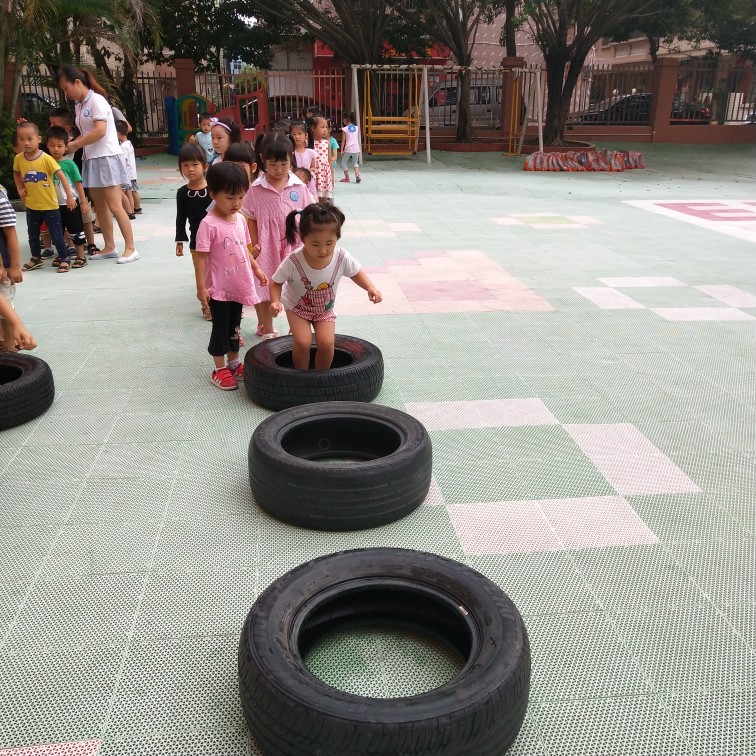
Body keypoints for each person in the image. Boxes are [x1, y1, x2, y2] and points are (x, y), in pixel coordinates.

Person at [270, 203, 381, 370]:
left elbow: (356, 272)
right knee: (303, 342)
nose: (323, 250)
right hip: (297, 308)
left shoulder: (341, 257)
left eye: (329, 243)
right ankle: (300, 376)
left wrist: (370, 287)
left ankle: (322, 377)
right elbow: (275, 282)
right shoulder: (294, 261)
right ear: (303, 238)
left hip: (324, 310)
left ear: (337, 237)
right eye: (315, 244)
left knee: (327, 344)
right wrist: (275, 301)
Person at [194, 162, 268, 391]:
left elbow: (243, 249)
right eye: (230, 198)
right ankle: (219, 369)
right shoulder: (208, 224)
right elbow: (201, 257)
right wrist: (201, 287)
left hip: (239, 285)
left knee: (235, 326)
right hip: (218, 289)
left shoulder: (240, 220)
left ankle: (234, 363)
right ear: (213, 194)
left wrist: (256, 269)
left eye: (241, 197)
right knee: (221, 328)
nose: (236, 203)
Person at [56, 64, 138, 264]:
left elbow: (100, 130)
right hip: (91, 158)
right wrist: (73, 144)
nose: (66, 93)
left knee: (115, 206)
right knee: (100, 206)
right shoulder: (79, 105)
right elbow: (86, 133)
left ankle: (131, 248)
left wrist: (76, 144)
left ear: (77, 82)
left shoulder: (97, 100)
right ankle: (109, 247)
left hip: (107, 157)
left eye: (66, 88)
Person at [240, 131, 314, 340]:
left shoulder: (299, 186)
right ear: (262, 160)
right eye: (273, 164)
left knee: (297, 285)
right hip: (267, 246)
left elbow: (308, 214)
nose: (279, 169)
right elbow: (251, 217)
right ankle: (267, 327)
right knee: (265, 285)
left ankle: (297, 325)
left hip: (294, 244)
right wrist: (255, 243)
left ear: (292, 158)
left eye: (284, 163)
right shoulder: (256, 189)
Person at [13, 122, 76, 273]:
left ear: (39, 139)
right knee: (33, 235)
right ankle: (36, 258)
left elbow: (61, 176)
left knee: (57, 235)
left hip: (50, 206)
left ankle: (64, 258)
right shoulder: (19, 159)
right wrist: (20, 188)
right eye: (21, 139)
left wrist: (69, 196)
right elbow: (16, 174)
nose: (26, 143)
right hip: (32, 206)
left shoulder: (46, 158)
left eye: (30, 139)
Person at [48, 107, 99, 255]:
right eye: (50, 123)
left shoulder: (78, 142)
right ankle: (70, 245)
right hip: (60, 193)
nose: (51, 126)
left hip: (78, 187)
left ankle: (91, 243)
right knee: (65, 219)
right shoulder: (52, 145)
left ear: (66, 127)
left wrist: (84, 197)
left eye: (54, 123)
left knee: (86, 217)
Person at [175, 143, 213, 320]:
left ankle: (223, 304)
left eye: (195, 164)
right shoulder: (182, 193)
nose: (190, 169)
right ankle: (206, 306)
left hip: (216, 241)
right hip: (196, 243)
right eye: (186, 165)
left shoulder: (213, 190)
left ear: (205, 167)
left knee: (217, 274)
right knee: (202, 276)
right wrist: (179, 240)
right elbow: (180, 218)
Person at [45, 126, 88, 269]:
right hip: (54, 205)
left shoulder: (69, 164)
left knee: (76, 230)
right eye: (52, 145)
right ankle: (62, 254)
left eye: (59, 146)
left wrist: (83, 202)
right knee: (58, 231)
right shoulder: (46, 163)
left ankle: (80, 256)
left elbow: (78, 183)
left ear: (66, 146)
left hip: (71, 203)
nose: (56, 149)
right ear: (47, 145)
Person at [0, 182, 23, 351]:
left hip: (4, 267)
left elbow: (10, 232)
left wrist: (14, 266)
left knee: (5, 309)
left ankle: (10, 350)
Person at [289, 120, 317, 199]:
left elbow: (313, 167)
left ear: (306, 135)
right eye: (294, 134)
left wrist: (307, 173)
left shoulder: (310, 152)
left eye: (299, 134)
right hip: (294, 181)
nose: (297, 137)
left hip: (308, 182)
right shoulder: (290, 153)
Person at [310, 116, 334, 203]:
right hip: (313, 173)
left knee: (323, 197)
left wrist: (332, 176)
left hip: (324, 175)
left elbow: (329, 160)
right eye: (322, 127)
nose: (325, 130)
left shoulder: (326, 143)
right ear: (313, 128)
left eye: (326, 127)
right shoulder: (309, 144)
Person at [116, 121, 137, 219]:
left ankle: (130, 211)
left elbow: (123, 160)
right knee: (131, 192)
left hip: (127, 174)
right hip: (131, 173)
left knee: (128, 193)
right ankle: (133, 210)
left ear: (117, 133)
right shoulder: (129, 143)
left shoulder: (123, 147)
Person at [340, 111, 361, 183]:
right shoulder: (357, 128)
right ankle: (357, 175)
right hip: (356, 148)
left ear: (346, 119)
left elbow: (343, 140)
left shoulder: (345, 129)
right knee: (355, 162)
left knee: (344, 162)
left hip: (348, 148)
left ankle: (347, 178)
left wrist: (342, 150)